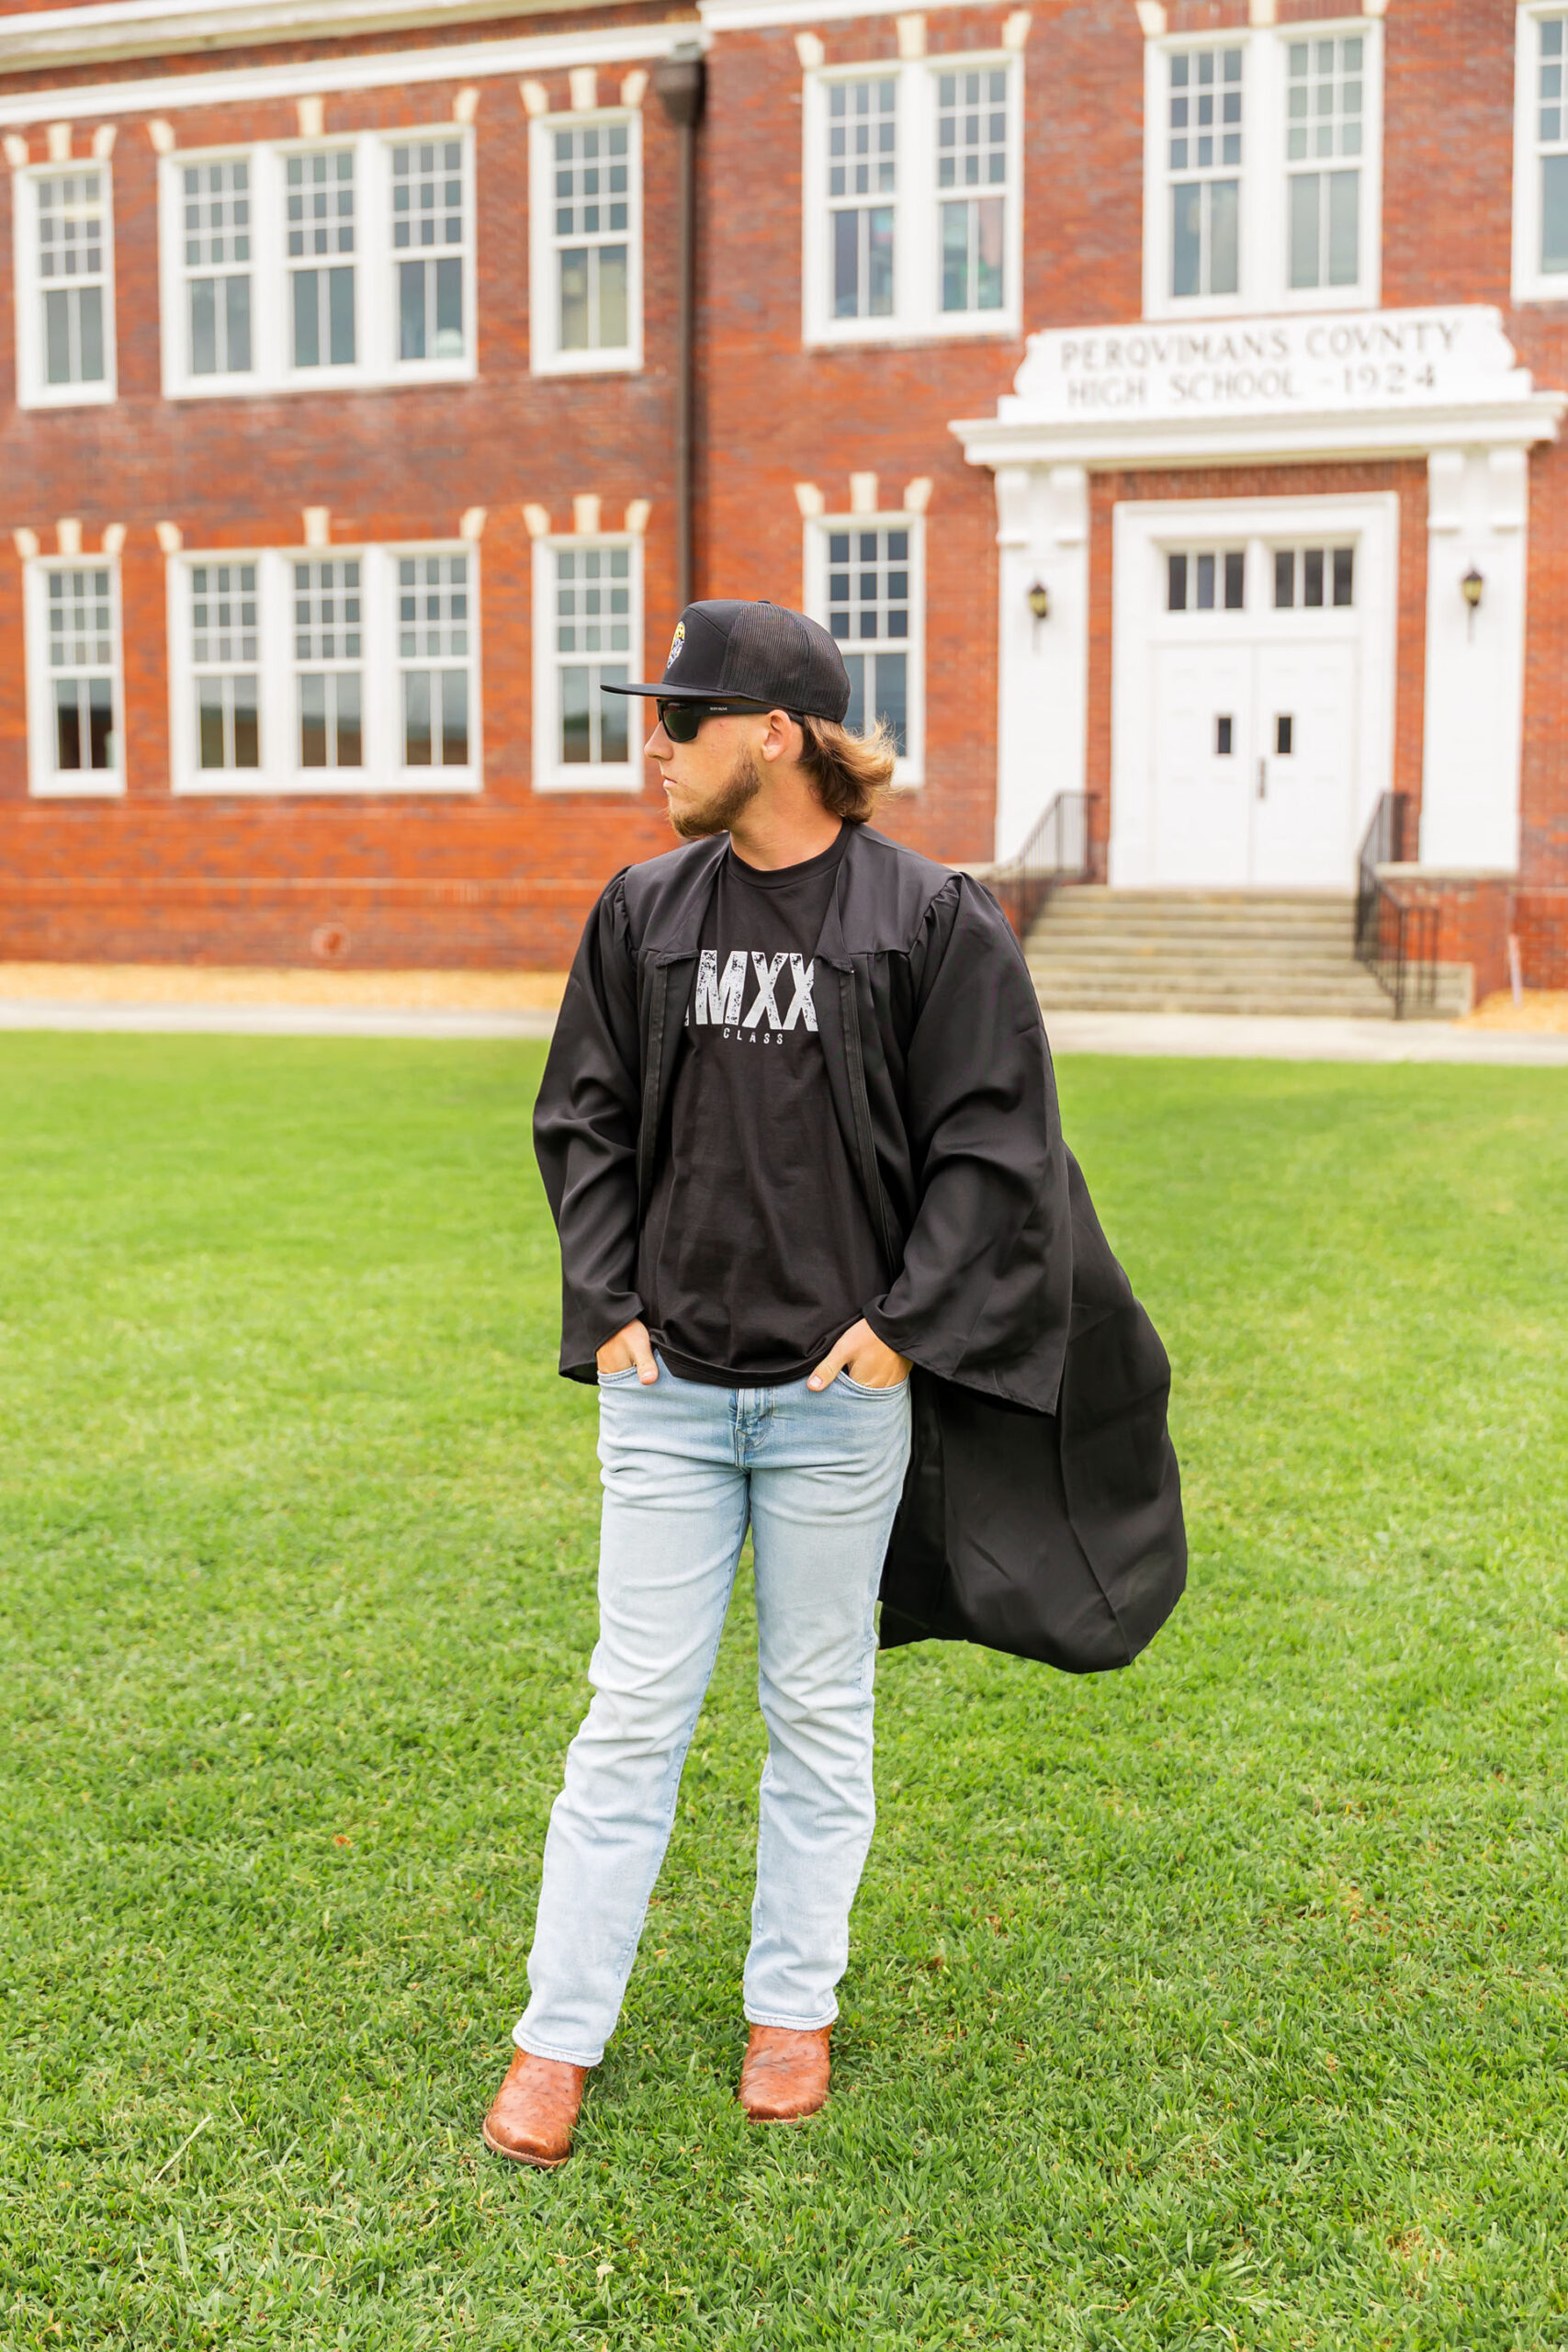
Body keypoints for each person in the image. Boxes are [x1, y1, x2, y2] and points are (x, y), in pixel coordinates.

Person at [483, 600, 1184, 2170]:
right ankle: (556, 2037)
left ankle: (789, 2009)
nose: (651, 740)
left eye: (683, 714)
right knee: (631, 1714)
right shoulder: (643, 910)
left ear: (780, 733)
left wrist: (896, 1335)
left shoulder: (927, 921)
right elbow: (580, 1121)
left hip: (833, 1408)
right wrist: (607, 1312)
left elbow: (996, 1154)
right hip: (663, 1394)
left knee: (819, 1710)